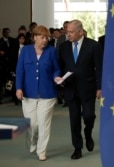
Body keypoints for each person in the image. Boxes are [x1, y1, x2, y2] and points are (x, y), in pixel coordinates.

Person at [15, 25, 62, 161]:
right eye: (42, 37)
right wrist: (18, 88)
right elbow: (20, 71)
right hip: (28, 94)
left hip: (47, 94)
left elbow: (56, 69)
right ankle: (33, 142)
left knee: (43, 124)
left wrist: (56, 77)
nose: (45, 40)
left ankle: (42, 151)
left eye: (47, 37)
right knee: (33, 125)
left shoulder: (51, 51)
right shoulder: (25, 51)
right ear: (34, 37)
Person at [58, 19, 103, 160]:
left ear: (80, 31)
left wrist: (100, 87)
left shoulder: (93, 46)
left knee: (89, 116)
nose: (68, 35)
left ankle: (88, 133)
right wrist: (59, 80)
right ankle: (77, 147)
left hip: (88, 88)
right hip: (70, 89)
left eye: (71, 32)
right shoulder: (64, 47)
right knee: (74, 120)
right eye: (67, 32)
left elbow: (100, 69)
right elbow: (60, 66)